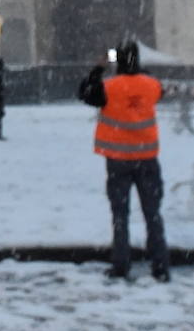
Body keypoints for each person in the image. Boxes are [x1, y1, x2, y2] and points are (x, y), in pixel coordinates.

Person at [78, 39, 171, 282]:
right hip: (147, 158)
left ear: (116, 60)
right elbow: (159, 90)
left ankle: (121, 265)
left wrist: (98, 69)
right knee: (153, 213)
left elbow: (84, 94)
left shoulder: (108, 87)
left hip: (118, 159)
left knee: (120, 214)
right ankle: (160, 265)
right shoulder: (152, 85)